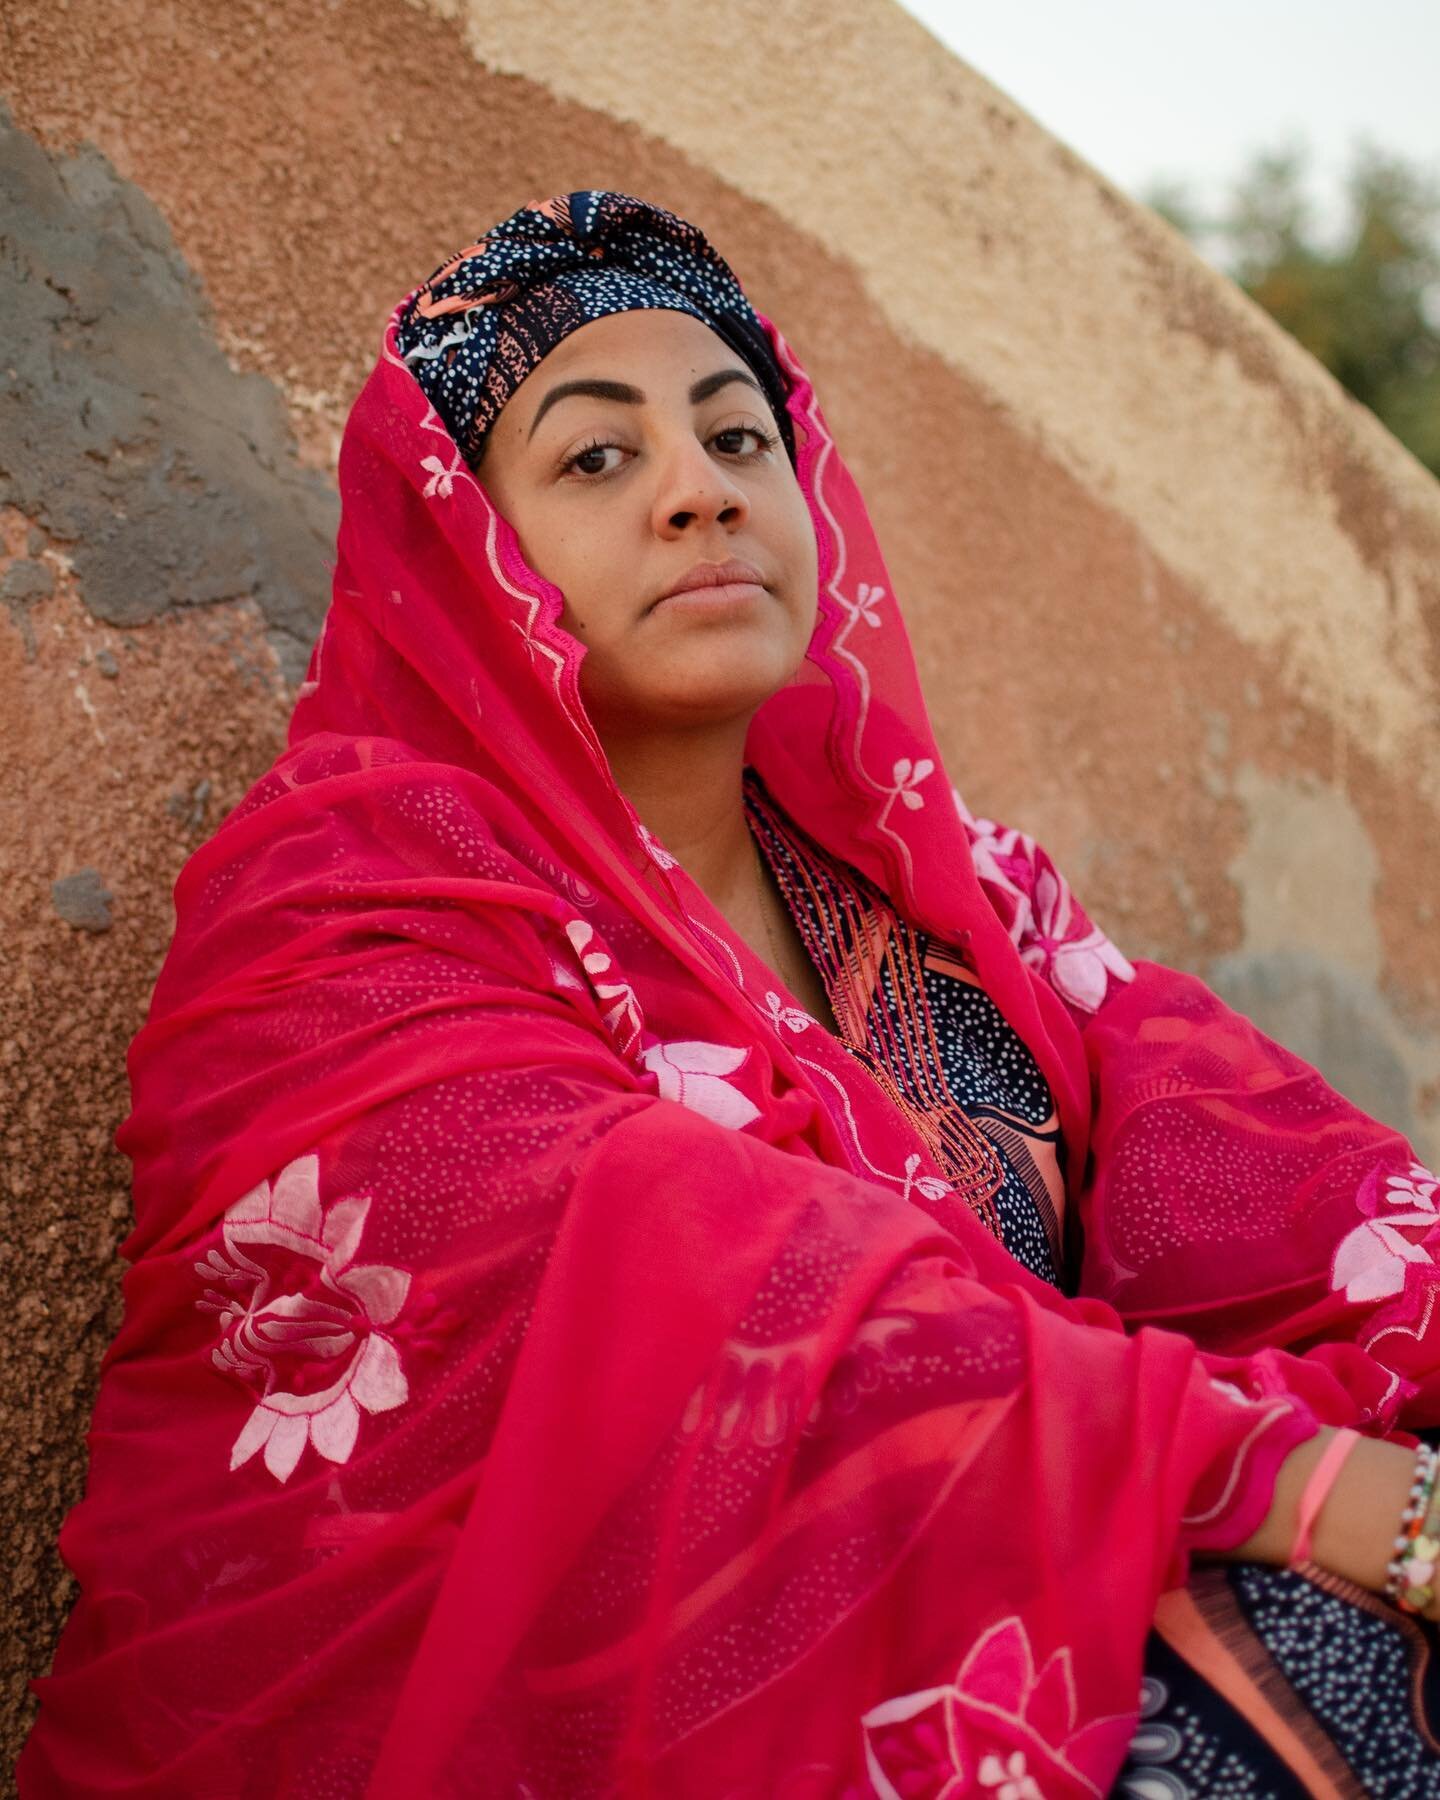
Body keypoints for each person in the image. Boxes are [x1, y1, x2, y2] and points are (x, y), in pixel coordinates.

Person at [18, 189, 1440, 1798]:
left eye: (740, 438)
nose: (700, 494)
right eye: (597, 458)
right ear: (463, 550)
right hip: (590, 1713)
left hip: (979, 1557)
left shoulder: (941, 894)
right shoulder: (352, 917)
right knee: (1289, 1698)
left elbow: (1275, 1175)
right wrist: (1312, 1488)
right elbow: (695, 1289)